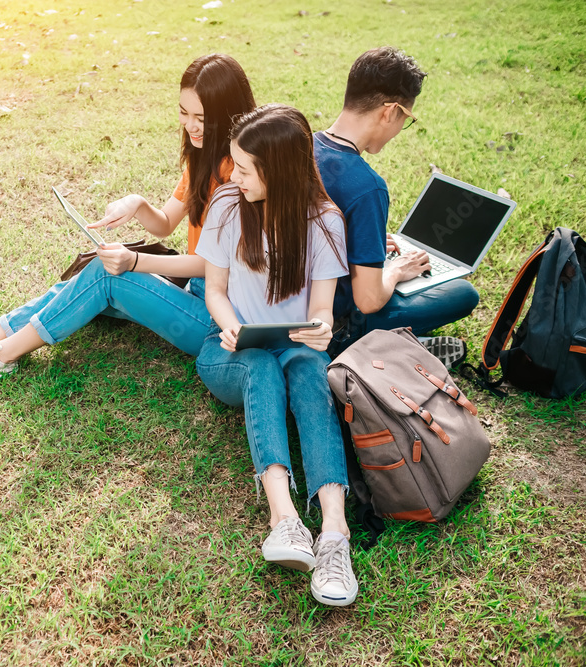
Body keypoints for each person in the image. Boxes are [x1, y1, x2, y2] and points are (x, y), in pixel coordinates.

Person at [0, 54, 257, 383]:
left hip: (217, 321)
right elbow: (165, 223)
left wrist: (134, 261)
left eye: (202, 118)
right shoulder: (204, 157)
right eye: (184, 113)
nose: (192, 126)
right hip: (194, 295)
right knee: (75, 285)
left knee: (106, 275)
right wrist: (136, 204)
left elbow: (213, 267)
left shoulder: (242, 175)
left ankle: (0, 355)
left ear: (229, 115)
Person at [195, 105, 357, 606]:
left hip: (294, 347)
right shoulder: (226, 205)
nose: (234, 175)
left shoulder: (324, 222)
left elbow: (322, 310)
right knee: (262, 365)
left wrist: (321, 330)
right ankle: (283, 518)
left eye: (245, 168)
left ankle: (334, 534)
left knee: (309, 371)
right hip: (229, 350)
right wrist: (232, 327)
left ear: (280, 170)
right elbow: (214, 290)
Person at [314, 47, 479, 366]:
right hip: (335, 325)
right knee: (463, 294)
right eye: (406, 119)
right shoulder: (366, 186)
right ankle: (389, 350)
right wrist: (395, 270)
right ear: (390, 111)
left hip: (285, 305)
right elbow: (369, 299)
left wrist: (365, 242)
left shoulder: (300, 144)